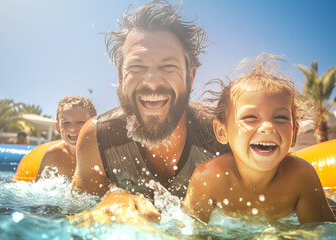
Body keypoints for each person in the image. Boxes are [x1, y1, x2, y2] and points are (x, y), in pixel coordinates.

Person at [71, 0, 227, 221]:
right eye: (136, 66)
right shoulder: (97, 138)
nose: (152, 82)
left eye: (168, 66)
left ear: (190, 76)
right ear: (120, 75)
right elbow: (73, 218)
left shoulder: (219, 137)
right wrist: (112, 197)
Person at [183, 56, 336, 224]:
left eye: (280, 117)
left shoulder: (301, 176)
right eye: (250, 117)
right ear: (221, 132)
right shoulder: (209, 177)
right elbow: (190, 233)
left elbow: (320, 232)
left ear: (294, 132)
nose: (268, 127)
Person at [35, 96, 97, 181]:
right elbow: (38, 188)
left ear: (94, 123)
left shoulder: (100, 153)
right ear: (58, 127)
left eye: (80, 122)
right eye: (66, 123)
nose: (73, 128)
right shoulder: (53, 155)